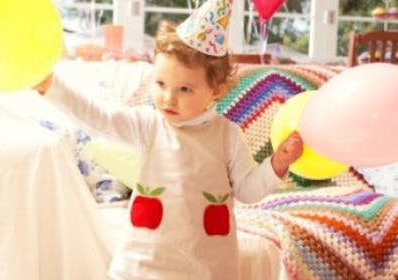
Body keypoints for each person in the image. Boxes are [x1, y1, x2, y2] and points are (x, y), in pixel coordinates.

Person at [36, 1, 303, 279]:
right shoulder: (149, 124)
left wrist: (277, 164)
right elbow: (99, 118)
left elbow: (247, 191)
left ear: (216, 90)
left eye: (185, 89)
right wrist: (53, 89)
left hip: (207, 269)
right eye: (161, 84)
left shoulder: (227, 135)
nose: (168, 98)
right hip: (144, 265)